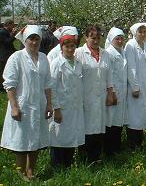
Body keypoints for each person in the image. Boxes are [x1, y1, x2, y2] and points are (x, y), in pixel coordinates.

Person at [1, 25, 53, 181]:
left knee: (35, 139)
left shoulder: (43, 57)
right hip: (23, 104)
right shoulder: (16, 57)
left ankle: (31, 171)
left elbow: (48, 83)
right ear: (25, 40)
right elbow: (9, 84)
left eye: (37, 38)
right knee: (22, 140)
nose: (34, 42)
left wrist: (49, 104)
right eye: (31, 38)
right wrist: (15, 106)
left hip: (39, 104)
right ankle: (21, 173)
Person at [75, 25, 114, 162]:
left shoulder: (105, 53)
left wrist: (110, 93)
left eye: (98, 38)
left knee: (99, 126)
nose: (96, 41)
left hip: (101, 96)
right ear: (86, 38)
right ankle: (85, 156)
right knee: (86, 126)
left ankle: (96, 156)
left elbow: (109, 75)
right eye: (93, 38)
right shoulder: (79, 53)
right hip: (86, 96)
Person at [49, 34, 84, 167]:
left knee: (71, 136)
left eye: (72, 46)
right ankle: (57, 165)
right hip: (61, 107)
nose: (70, 49)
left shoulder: (78, 63)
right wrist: (56, 108)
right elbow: (51, 87)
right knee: (59, 137)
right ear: (61, 47)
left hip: (74, 107)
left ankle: (68, 164)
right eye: (67, 46)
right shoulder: (56, 63)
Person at [104, 27, 127, 156]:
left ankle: (117, 147)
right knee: (111, 121)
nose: (119, 41)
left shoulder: (122, 52)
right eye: (117, 39)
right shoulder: (109, 53)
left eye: (121, 38)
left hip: (122, 91)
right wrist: (112, 93)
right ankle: (109, 150)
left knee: (118, 121)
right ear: (111, 40)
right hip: (113, 92)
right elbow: (109, 75)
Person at [0, 19, 17, 87]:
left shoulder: (6, 32)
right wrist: (13, 35)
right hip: (4, 55)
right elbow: (7, 42)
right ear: (8, 24)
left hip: (8, 54)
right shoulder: (2, 32)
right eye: (12, 25)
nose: (13, 27)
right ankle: (2, 86)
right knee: (3, 71)